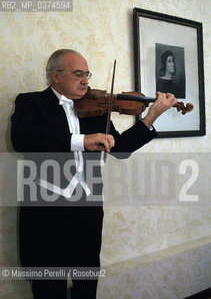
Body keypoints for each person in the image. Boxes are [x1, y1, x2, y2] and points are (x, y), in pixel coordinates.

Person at [10, 49, 178, 299]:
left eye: (87, 74)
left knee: (86, 282)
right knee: (48, 288)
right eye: (78, 74)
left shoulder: (95, 108)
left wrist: (151, 116)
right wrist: (81, 141)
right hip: (46, 215)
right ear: (56, 75)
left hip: (87, 211)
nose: (86, 81)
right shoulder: (31, 102)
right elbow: (22, 139)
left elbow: (120, 149)